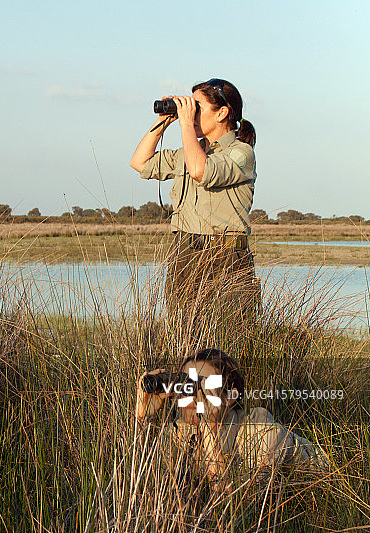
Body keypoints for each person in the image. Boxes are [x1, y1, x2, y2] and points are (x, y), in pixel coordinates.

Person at [129, 79, 260, 328]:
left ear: (222, 113)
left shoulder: (241, 153)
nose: (191, 113)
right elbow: (140, 162)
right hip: (185, 253)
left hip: (226, 255)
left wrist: (187, 124)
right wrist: (162, 123)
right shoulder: (189, 152)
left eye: (197, 107)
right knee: (185, 335)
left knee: (227, 338)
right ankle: (189, 370)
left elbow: (201, 171)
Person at [135, 348, 327, 492]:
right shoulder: (182, 430)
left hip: (326, 482)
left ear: (230, 396)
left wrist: (211, 429)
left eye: (203, 386)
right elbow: (143, 481)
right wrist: (142, 417)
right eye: (184, 384)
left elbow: (239, 507)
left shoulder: (263, 432)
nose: (193, 395)